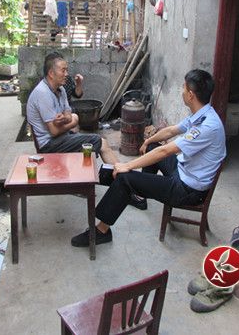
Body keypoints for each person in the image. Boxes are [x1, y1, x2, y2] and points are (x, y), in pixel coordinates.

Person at [70, 69, 226, 247]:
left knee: (125, 178)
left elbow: (165, 151)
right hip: (184, 170)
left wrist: (128, 165)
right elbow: (171, 130)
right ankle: (139, 195)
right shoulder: (203, 114)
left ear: (191, 95)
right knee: (152, 148)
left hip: (187, 190)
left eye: (183, 88)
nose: (181, 91)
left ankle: (101, 232)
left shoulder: (207, 126)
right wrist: (149, 141)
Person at [26, 53, 148, 210]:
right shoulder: (42, 93)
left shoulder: (60, 90)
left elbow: (68, 114)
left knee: (101, 142)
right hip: (49, 145)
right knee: (97, 141)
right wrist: (73, 120)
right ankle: (126, 187)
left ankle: (125, 184)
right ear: (51, 73)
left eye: (67, 70)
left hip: (62, 137)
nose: (67, 74)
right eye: (63, 70)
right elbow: (55, 131)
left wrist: (69, 119)